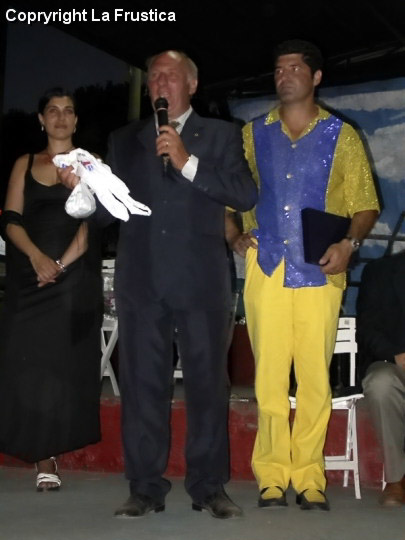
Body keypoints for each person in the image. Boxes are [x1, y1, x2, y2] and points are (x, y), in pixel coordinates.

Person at [59, 50, 257, 518]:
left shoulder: (222, 134)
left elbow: (244, 193)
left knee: (207, 386)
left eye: (169, 76)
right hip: (142, 281)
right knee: (142, 385)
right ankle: (145, 487)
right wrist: (83, 190)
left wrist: (188, 162)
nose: (159, 84)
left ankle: (208, 487)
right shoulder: (124, 139)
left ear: (191, 84)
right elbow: (110, 213)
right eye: (153, 77)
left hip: (202, 281)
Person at [226, 39, 379, 511]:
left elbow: (365, 206)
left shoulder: (342, 135)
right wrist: (233, 235)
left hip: (320, 270)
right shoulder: (252, 135)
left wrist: (348, 244)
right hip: (266, 266)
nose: (285, 75)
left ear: (316, 77)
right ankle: (272, 475)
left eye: (295, 68)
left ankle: (310, 477)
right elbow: (228, 195)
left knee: (314, 378)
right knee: (269, 377)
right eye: (278, 69)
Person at [0, 88, 102, 491]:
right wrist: (37, 259)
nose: (61, 117)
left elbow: (93, 225)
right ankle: (29, 443)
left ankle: (47, 455)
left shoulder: (91, 164)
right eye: (53, 110)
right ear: (41, 119)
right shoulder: (24, 163)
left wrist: (59, 264)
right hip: (29, 276)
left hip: (72, 278)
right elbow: (10, 219)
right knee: (23, 359)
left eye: (68, 111)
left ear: (76, 120)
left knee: (59, 365)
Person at [357, 251, 405, 507]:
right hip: (395, 363)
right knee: (380, 383)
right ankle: (397, 479)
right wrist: (396, 355)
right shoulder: (381, 271)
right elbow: (367, 327)